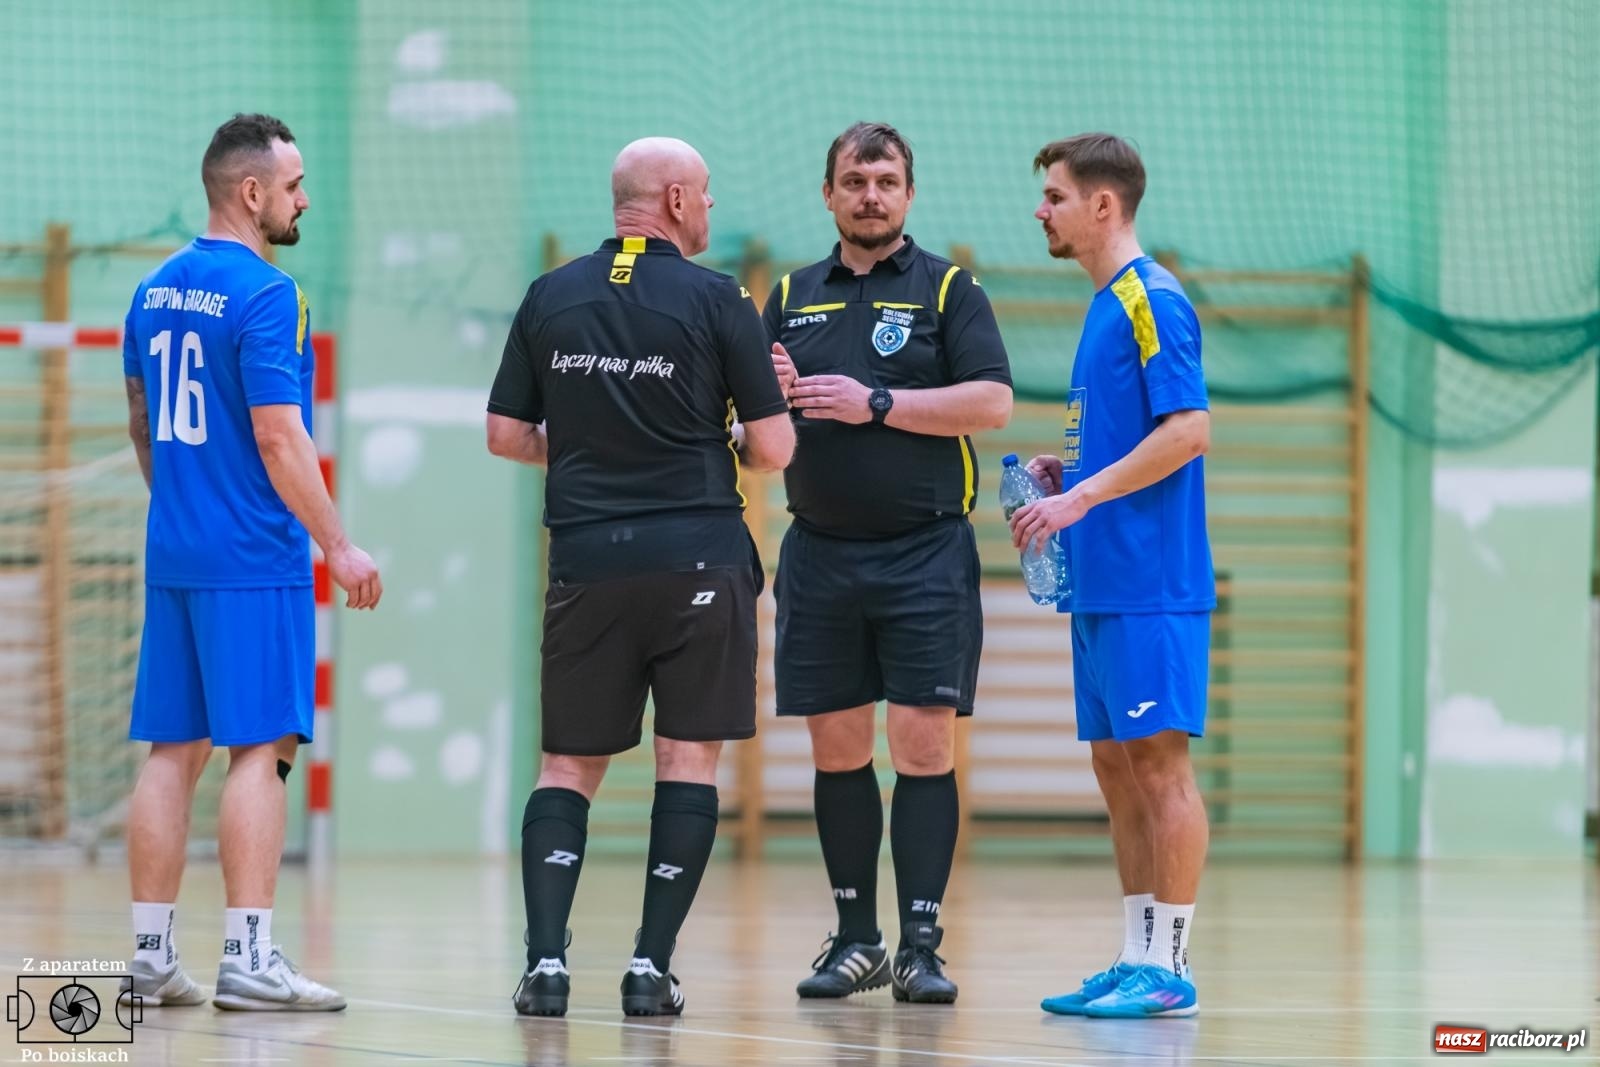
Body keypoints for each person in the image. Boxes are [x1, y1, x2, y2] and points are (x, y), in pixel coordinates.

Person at [487, 137, 794, 1019]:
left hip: (587, 559)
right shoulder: (718, 298)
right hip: (696, 557)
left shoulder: (550, 295)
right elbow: (771, 450)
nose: (708, 211)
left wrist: (587, 448)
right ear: (671, 198)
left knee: (565, 766)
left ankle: (545, 966)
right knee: (685, 760)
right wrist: (727, 433)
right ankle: (649, 968)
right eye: (703, 196)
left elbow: (506, 435)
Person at [120, 112, 382, 1012]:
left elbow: (141, 426)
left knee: (172, 749)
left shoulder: (151, 291)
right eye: (296, 184)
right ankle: (250, 957)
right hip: (252, 556)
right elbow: (280, 436)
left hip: (176, 550)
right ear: (252, 192)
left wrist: (186, 505)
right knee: (259, 749)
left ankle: (150, 957)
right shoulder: (271, 295)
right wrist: (338, 544)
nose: (304, 198)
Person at [761, 122, 1013, 1005]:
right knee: (837, 749)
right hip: (819, 554)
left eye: (887, 179)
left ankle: (921, 944)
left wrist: (877, 401)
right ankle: (857, 938)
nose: (871, 194)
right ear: (827, 193)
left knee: (921, 746)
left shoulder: (949, 287)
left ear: (910, 193)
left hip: (926, 552)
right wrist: (768, 400)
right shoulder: (789, 293)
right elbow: (756, 439)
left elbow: (991, 401)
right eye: (855, 180)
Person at [1010, 133, 1213, 1019]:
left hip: (1150, 582)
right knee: (1115, 766)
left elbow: (1187, 431)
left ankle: (1169, 966)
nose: (1042, 210)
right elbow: (1129, 436)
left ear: (1103, 205)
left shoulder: (1152, 301)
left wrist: (1080, 497)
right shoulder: (1101, 306)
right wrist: (1067, 475)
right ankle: (1134, 956)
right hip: (1099, 582)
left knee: (1162, 771)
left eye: (1055, 195)